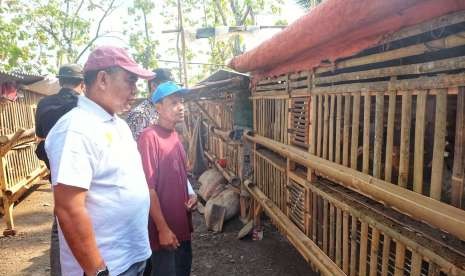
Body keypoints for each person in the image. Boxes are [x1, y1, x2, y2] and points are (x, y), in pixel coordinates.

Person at [45, 46, 154, 276]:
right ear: (103, 79)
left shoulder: (118, 125)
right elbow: (68, 208)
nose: (135, 90)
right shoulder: (75, 129)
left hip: (133, 257)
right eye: (130, 80)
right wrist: (97, 270)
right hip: (108, 267)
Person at [138, 81, 197, 276]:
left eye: (181, 101)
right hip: (165, 230)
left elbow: (179, 173)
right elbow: (148, 187)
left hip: (181, 225)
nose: (181, 107)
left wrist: (191, 193)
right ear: (158, 107)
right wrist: (162, 229)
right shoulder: (149, 137)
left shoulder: (174, 136)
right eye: (173, 102)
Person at [34, 63, 85, 276]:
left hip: (57, 177)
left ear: (61, 81)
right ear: (82, 84)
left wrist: (52, 164)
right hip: (83, 177)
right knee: (86, 223)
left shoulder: (44, 104)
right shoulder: (84, 106)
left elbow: (40, 145)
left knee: (60, 226)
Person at [127, 68, 173, 140]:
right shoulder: (140, 115)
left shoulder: (164, 111)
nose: (171, 90)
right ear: (154, 86)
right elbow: (137, 149)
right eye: (167, 86)